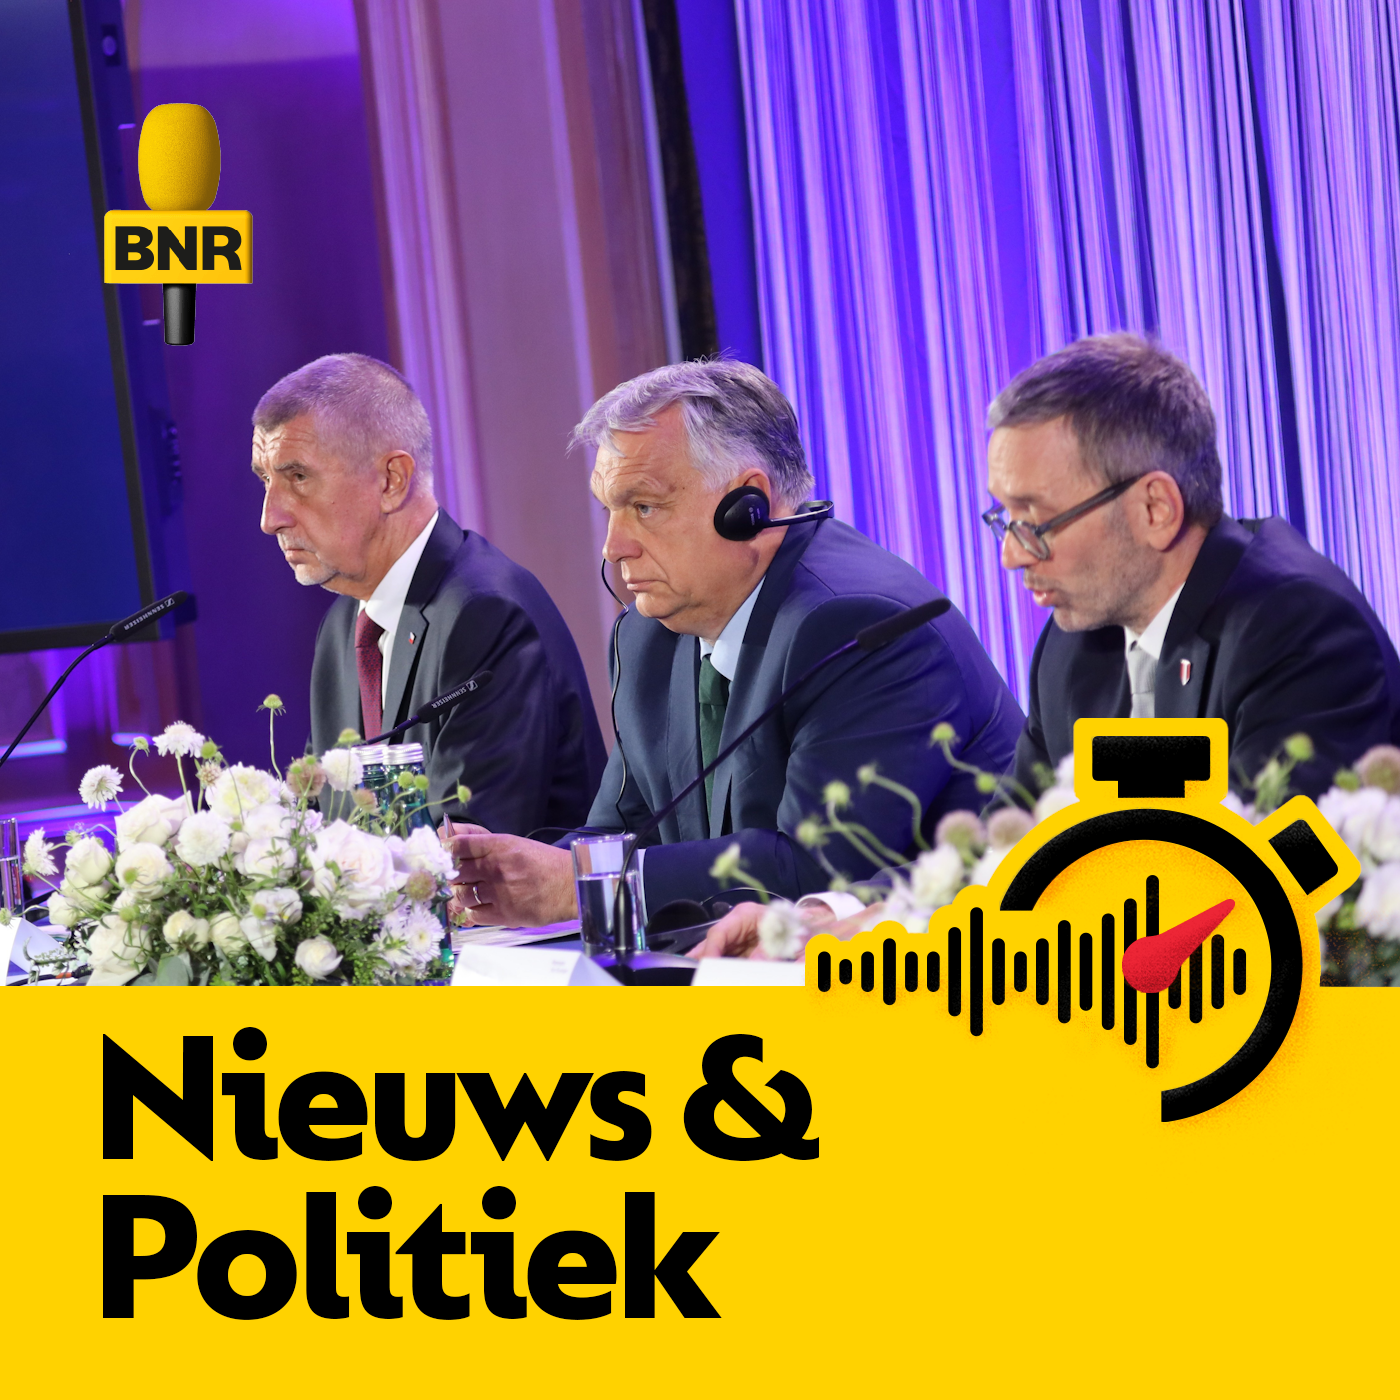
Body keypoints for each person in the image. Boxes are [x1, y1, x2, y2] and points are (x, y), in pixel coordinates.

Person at [441, 359, 1024, 927]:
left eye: (644, 506)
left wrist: (578, 884)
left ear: (747, 507)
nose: (614, 547)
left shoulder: (856, 626)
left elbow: (816, 871)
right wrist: (508, 874)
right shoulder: (649, 633)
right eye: (610, 510)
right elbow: (625, 832)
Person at [983, 332, 1400, 801]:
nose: (1011, 555)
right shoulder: (1071, 648)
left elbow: (1274, 842)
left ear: (1155, 510)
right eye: (1005, 518)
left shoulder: (1299, 629)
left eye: (1035, 522)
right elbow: (1010, 834)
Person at [252, 353, 606, 837]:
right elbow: (326, 827)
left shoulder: (484, 615)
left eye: (298, 477)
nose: (270, 517)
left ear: (391, 481)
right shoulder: (342, 626)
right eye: (265, 479)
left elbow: (465, 855)